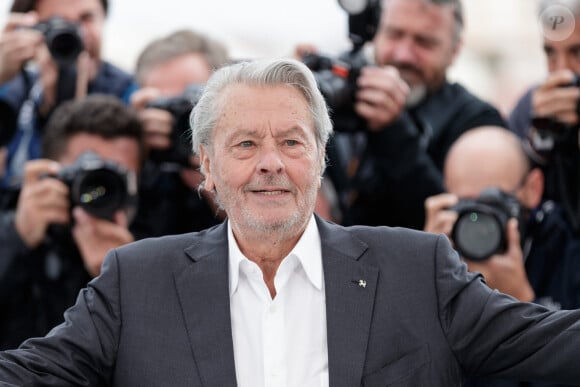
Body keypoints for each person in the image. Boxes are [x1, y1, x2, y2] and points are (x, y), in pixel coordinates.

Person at [0, 57, 580, 386]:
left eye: (291, 141)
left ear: (320, 158)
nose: (271, 162)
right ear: (207, 165)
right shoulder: (137, 281)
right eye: (246, 142)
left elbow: (553, 346)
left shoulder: (415, 269)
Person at [310, 0, 506, 230]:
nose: (404, 55)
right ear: (376, 32)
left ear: (454, 50)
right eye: (394, 34)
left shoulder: (477, 123)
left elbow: (466, 228)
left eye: (424, 42)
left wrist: (393, 131)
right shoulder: (345, 85)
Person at [424, 127, 580, 387]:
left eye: (491, 202)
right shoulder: (436, 263)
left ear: (533, 188)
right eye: (464, 206)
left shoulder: (567, 255)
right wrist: (427, 273)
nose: (477, 222)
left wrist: (523, 306)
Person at [0, 94, 144, 350]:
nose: (99, 191)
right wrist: (16, 238)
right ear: (53, 173)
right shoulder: (12, 221)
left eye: (115, 178)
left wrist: (122, 279)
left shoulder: (155, 247)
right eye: (88, 175)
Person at [0, 0, 136, 202]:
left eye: (86, 18)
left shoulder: (130, 96)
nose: (77, 33)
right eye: (58, 22)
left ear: (104, 20)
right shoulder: (14, 89)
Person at [129, 29, 229, 236]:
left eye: (193, 103)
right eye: (167, 106)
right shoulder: (141, 165)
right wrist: (131, 148)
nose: (183, 120)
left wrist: (217, 177)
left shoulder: (253, 156)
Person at [508, 0, 580, 235]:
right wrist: (541, 133)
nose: (562, 70)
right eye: (550, 53)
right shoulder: (531, 106)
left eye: (577, 53)